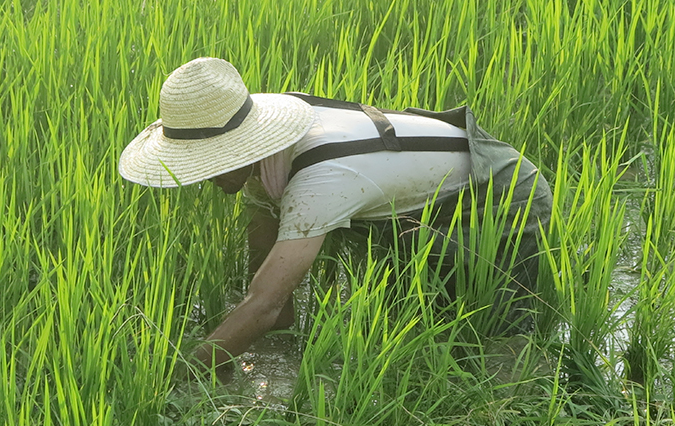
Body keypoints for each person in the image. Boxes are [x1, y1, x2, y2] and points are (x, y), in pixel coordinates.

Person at [119, 57, 553, 373]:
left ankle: (511, 411)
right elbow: (271, 291)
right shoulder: (250, 133)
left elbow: (266, 304)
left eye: (211, 160)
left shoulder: (321, 179)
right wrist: (253, 346)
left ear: (245, 147)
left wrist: (184, 371)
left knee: (492, 335)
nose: (204, 175)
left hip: (496, 190)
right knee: (413, 308)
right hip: (415, 196)